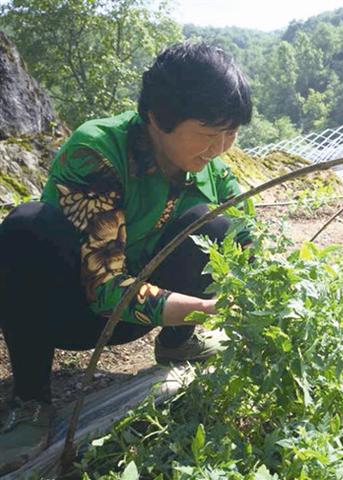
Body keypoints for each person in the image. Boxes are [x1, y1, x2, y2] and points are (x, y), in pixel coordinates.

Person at [0, 42, 253, 474]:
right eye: (211, 134)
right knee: (26, 228)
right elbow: (102, 287)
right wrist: (205, 309)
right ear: (158, 116)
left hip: (146, 312)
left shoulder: (210, 169)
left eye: (231, 133)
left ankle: (178, 344)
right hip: (73, 310)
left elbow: (250, 242)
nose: (222, 147)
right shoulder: (97, 152)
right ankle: (29, 399)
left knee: (217, 228)